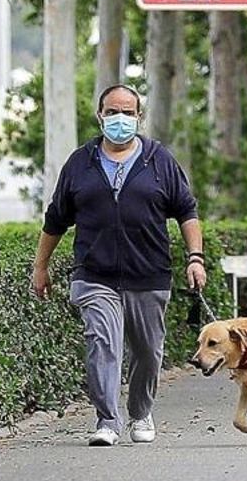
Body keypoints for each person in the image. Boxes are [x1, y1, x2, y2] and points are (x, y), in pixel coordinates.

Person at [31, 84, 206, 446]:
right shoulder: (80, 163)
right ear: (100, 116)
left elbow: (186, 211)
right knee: (103, 343)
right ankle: (107, 420)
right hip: (95, 275)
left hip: (149, 274)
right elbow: (56, 219)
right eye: (112, 112)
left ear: (139, 117)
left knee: (147, 352)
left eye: (128, 112)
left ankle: (140, 412)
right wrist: (40, 266)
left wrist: (195, 258)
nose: (120, 119)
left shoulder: (159, 160)